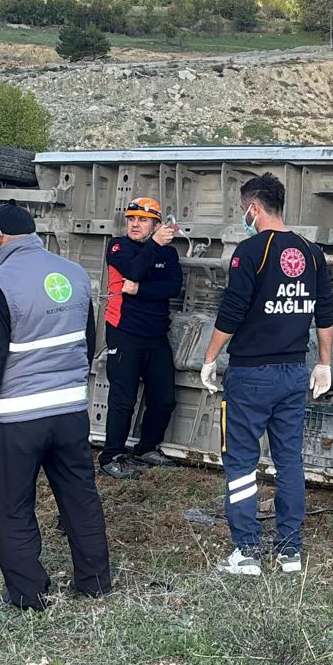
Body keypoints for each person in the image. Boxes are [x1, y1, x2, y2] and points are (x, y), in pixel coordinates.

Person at [0, 201, 112, 610]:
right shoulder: (75, 274)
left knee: (12, 508)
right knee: (80, 497)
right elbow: (88, 342)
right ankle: (95, 581)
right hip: (69, 412)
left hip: (17, 418)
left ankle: (29, 594)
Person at [201, 173, 333, 576]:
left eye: (244, 208)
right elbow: (324, 313)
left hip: (251, 376)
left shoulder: (251, 252)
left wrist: (209, 359)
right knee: (289, 462)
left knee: (241, 463)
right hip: (294, 373)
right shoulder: (311, 253)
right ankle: (290, 552)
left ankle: (246, 552)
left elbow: (231, 312)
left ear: (254, 208)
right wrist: (324, 363)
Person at [99, 197, 183, 480]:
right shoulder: (118, 246)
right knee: (123, 399)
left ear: (156, 224)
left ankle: (147, 448)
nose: (135, 224)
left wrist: (140, 290)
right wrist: (153, 245)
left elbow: (173, 287)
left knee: (164, 398)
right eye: (131, 219)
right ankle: (111, 456)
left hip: (156, 333)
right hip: (124, 332)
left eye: (143, 220)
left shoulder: (168, 254)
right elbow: (132, 271)